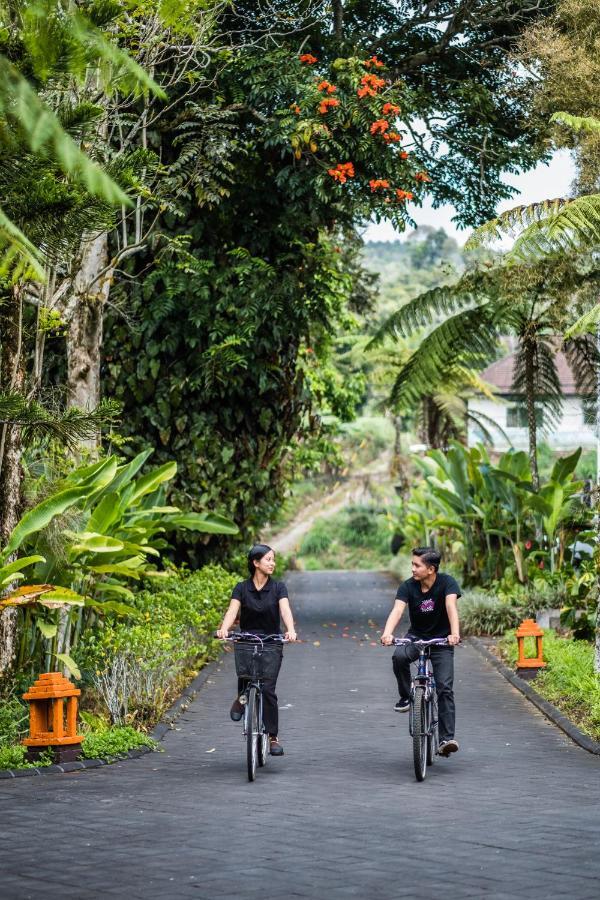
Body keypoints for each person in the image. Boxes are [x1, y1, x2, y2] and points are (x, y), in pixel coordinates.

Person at [217, 544, 296, 756]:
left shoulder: (278, 588)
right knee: (245, 672)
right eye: (268, 559)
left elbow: (285, 609)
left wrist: (290, 630)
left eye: (273, 559)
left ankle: (272, 737)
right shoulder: (241, 588)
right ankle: (242, 698)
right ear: (256, 563)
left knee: (268, 688)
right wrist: (224, 629)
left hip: (271, 640)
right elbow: (232, 610)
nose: (273, 563)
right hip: (247, 638)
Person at [381, 546, 461, 757]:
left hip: (442, 640)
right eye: (412, 564)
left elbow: (451, 607)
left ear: (431, 569)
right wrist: (388, 633)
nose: (413, 568)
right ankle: (407, 697)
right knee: (398, 656)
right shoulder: (408, 586)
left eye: (417, 565)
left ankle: (446, 739)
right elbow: (397, 610)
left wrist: (454, 634)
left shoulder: (447, 583)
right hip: (416, 637)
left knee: (444, 687)